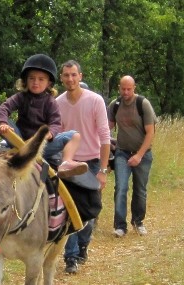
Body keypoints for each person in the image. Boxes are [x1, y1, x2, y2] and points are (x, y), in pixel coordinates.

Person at [0, 53, 88, 178]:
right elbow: (4, 108)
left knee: (74, 135)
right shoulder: (21, 97)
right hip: (19, 139)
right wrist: (3, 123)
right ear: (25, 80)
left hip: (40, 145)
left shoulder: (50, 102)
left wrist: (49, 133)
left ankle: (66, 162)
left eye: (41, 79)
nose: (35, 82)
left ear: (49, 83)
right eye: (31, 78)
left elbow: (55, 123)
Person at [55, 60, 111, 273]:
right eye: (66, 75)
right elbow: (57, 136)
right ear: (61, 78)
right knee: (69, 208)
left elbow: (105, 137)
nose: (70, 79)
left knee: (90, 210)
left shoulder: (95, 101)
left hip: (92, 161)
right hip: (69, 163)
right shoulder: (58, 103)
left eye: (73, 75)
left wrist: (103, 171)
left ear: (80, 76)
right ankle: (71, 257)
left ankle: (83, 245)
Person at [108, 75, 157, 238]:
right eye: (123, 88)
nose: (126, 92)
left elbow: (151, 132)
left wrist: (139, 155)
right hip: (122, 152)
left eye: (129, 89)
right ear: (119, 88)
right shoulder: (114, 105)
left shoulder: (143, 104)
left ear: (134, 88)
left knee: (140, 190)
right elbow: (106, 128)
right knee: (121, 187)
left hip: (143, 154)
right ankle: (120, 225)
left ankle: (138, 221)